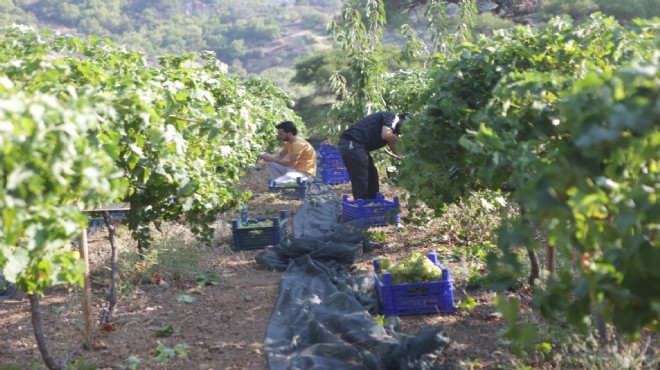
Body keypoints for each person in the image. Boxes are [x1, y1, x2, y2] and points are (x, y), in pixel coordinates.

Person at [338, 112, 406, 201]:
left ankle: (373, 202)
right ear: (403, 119)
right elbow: (386, 135)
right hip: (351, 141)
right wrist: (405, 143)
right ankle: (362, 205)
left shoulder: (394, 131)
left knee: (372, 175)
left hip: (360, 146)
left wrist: (408, 156)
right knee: (361, 172)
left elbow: (395, 150)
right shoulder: (393, 117)